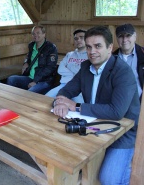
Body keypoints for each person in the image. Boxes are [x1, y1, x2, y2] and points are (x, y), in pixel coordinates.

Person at [53, 26, 140, 185]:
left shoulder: (123, 72)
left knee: (108, 179)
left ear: (109, 48)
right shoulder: (86, 67)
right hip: (93, 123)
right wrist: (61, 102)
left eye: (98, 46)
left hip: (121, 132)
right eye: (88, 47)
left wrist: (75, 106)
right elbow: (67, 89)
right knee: (58, 153)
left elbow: (116, 112)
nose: (92, 51)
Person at [7, 25, 58, 94]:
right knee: (11, 79)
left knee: (30, 93)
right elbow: (28, 56)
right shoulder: (31, 45)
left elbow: (50, 67)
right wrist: (25, 63)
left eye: (38, 33)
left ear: (44, 34)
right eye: (33, 33)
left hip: (44, 80)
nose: (35, 35)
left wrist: (35, 81)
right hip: (30, 77)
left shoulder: (51, 48)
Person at [45, 29, 87, 103]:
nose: (78, 40)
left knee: (79, 108)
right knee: (45, 99)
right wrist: (75, 74)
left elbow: (85, 73)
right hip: (64, 85)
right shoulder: (69, 54)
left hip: (80, 89)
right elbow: (60, 69)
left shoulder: (89, 56)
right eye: (76, 38)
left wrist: (70, 69)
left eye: (81, 37)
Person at [113, 23, 144, 100]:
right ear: (116, 38)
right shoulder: (111, 58)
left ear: (135, 36)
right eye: (121, 36)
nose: (124, 40)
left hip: (141, 104)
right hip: (118, 102)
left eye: (128, 35)